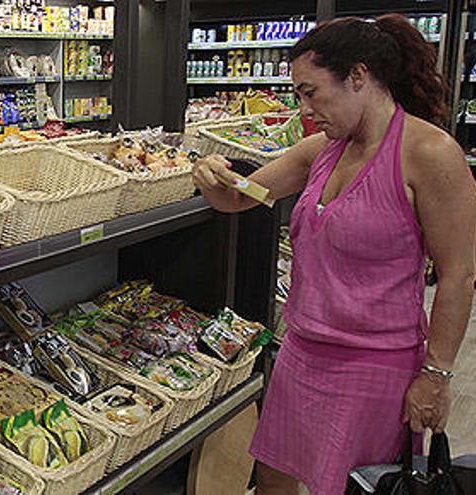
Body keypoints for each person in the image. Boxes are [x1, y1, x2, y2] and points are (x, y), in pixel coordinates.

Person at [193, 14, 476, 495]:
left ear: (359, 77)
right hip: (301, 354)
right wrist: (214, 175)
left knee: (353, 486)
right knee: (273, 479)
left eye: (311, 92)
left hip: (375, 368)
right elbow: (247, 197)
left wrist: (436, 376)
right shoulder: (319, 150)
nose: (304, 109)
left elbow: (459, 275)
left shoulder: (429, 153)